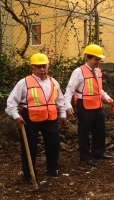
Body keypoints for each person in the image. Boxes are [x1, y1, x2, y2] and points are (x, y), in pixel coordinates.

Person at [5, 53, 67, 184]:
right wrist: (17, 117)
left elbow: (60, 100)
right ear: (32, 68)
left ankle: (52, 167)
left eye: (44, 66)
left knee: (53, 144)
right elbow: (11, 102)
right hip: (30, 119)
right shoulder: (24, 82)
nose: (42, 69)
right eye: (38, 67)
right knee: (29, 147)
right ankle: (29, 173)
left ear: (48, 67)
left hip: (50, 118)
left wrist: (63, 115)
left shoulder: (53, 82)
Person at [64, 44, 113, 167]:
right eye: (96, 59)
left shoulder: (97, 71)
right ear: (88, 59)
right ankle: (85, 156)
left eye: (99, 59)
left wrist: (107, 98)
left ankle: (98, 152)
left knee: (99, 130)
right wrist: (67, 105)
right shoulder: (78, 72)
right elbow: (70, 89)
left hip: (97, 104)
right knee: (84, 132)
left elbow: (98, 89)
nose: (98, 62)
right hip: (84, 106)